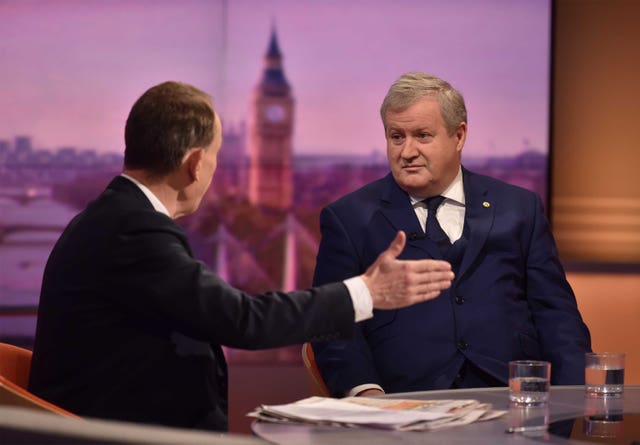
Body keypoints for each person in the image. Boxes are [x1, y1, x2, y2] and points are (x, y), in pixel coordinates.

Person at [28, 81, 455, 431]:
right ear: (195, 163)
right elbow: (241, 319)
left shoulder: (114, 216)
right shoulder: (133, 229)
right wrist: (366, 292)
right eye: (215, 158)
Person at [311, 72, 591, 398]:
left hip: (513, 406)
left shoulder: (519, 209)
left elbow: (557, 316)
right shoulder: (349, 219)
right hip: (403, 410)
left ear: (459, 136)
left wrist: (569, 403)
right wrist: (367, 396)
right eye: (396, 136)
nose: (407, 151)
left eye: (422, 136)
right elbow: (332, 324)